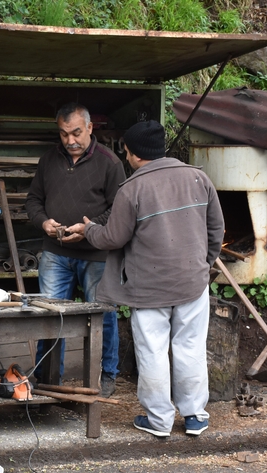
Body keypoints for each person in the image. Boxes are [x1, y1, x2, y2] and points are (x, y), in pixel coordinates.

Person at [68, 120, 224, 437]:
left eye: (126, 151)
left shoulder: (132, 189)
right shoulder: (199, 178)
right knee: (190, 346)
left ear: (135, 154)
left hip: (148, 289)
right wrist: (201, 265)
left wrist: (89, 230)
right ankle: (195, 416)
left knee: (152, 351)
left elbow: (113, 237)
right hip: (193, 284)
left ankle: (159, 421)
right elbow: (216, 230)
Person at [25, 103, 127, 397]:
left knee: (103, 315)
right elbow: (33, 201)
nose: (70, 140)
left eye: (76, 133)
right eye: (64, 134)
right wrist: (44, 222)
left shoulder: (110, 163)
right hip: (56, 254)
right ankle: (47, 381)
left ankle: (105, 377)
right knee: (51, 315)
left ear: (90, 128)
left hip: (96, 254)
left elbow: (119, 210)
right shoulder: (49, 160)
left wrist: (90, 228)